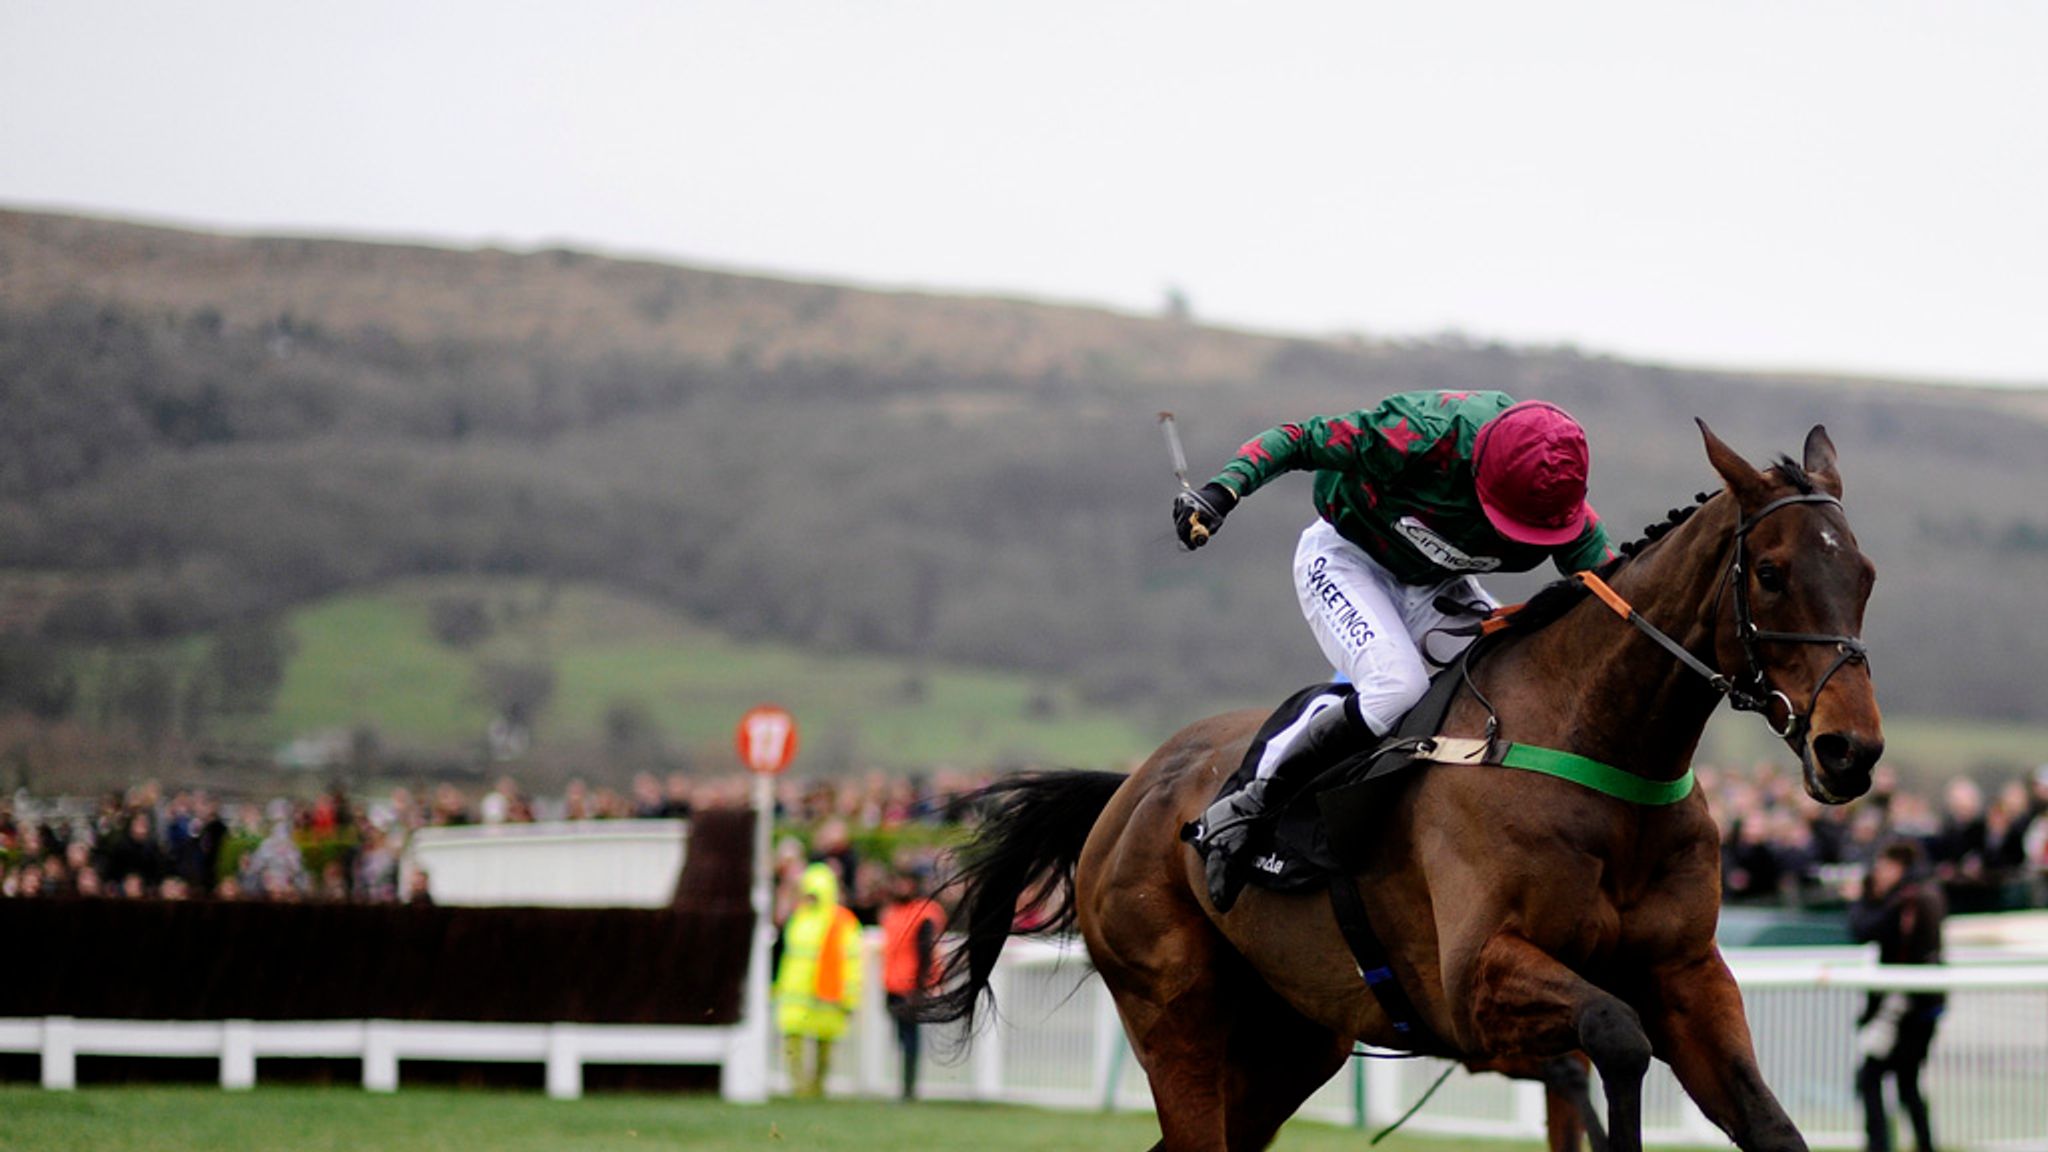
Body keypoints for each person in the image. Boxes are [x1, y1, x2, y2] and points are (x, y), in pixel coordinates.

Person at [1174, 391, 1612, 910]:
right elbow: (1295, 439)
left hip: (1437, 583)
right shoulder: (1416, 435)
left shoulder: (1556, 500)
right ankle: (1252, 803)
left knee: (1510, 682)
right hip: (1346, 557)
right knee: (1395, 687)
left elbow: (1609, 595)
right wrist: (1224, 490)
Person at [1849, 839, 1946, 1152]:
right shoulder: (1924, 894)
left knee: (1871, 1076)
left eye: (1882, 866)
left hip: (1907, 1006)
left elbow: (1863, 929)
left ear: (1897, 866)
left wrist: (1859, 898)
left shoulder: (1907, 899)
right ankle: (1923, 1144)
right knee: (1906, 1082)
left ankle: (1881, 1145)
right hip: (1922, 1005)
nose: (1877, 873)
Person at [774, 861, 864, 1098]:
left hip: (826, 996)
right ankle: (799, 1087)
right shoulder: (798, 918)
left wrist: (849, 997)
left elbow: (852, 962)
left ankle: (817, 1087)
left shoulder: (842, 922)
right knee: (793, 1040)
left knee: (825, 1044)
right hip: (796, 995)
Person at [878, 865, 946, 1100]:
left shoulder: (924, 913)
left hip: (911, 986)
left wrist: (920, 987)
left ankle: (909, 1088)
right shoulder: (895, 912)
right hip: (893, 984)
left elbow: (925, 952)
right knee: (901, 1037)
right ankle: (905, 1086)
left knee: (910, 1038)